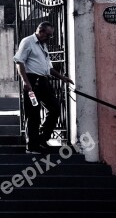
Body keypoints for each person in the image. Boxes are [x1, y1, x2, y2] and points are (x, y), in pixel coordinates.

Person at [14, 21, 74, 153]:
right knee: (33, 113)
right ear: (40, 31)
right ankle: (32, 146)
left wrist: (62, 78)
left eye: (51, 35)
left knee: (55, 108)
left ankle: (42, 138)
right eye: (48, 35)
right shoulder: (28, 42)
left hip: (43, 82)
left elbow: (48, 68)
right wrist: (25, 82)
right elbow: (19, 62)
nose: (50, 38)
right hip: (32, 81)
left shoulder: (43, 45)